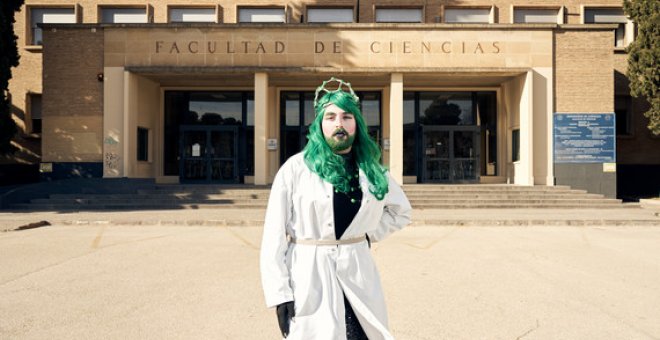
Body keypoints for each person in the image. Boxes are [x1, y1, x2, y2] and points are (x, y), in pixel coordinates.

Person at [260, 77, 412, 340]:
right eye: (330, 117)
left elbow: (401, 211)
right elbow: (273, 236)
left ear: (357, 124)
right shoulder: (295, 169)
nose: (339, 124)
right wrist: (279, 293)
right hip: (309, 275)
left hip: (357, 272)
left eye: (346, 117)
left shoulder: (372, 170)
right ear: (320, 124)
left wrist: (367, 235)